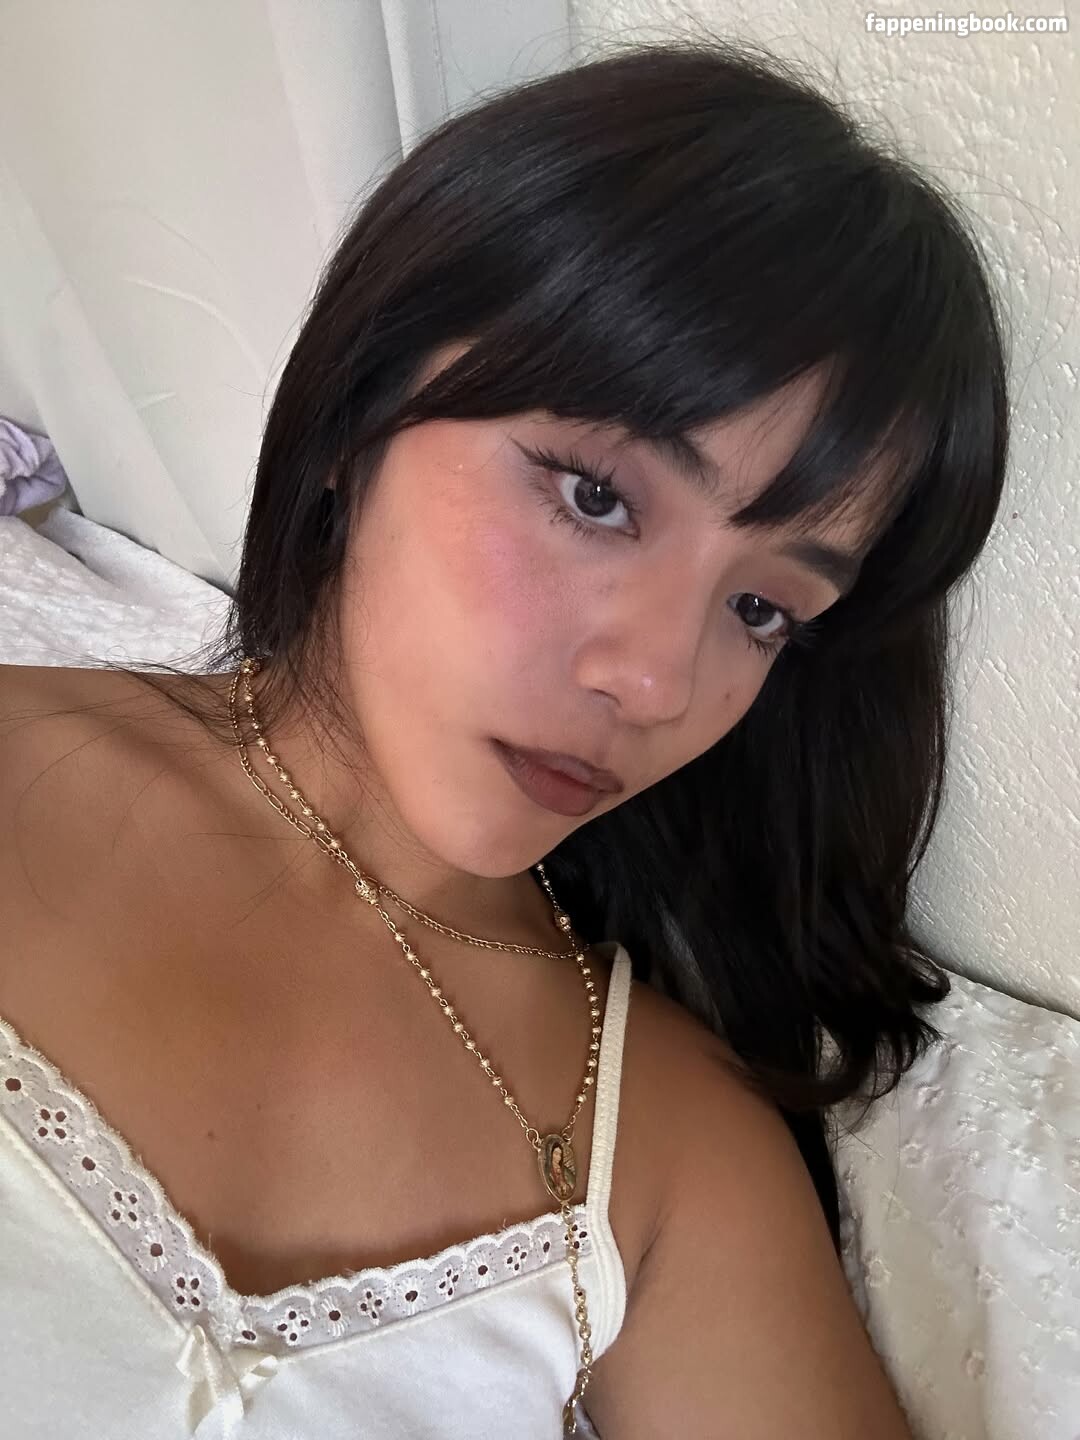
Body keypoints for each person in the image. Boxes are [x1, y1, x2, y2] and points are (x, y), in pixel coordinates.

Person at [0, 33, 1007, 1440]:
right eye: (596, 496)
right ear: (357, 411)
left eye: (763, 608)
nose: (655, 681)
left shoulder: (665, 1153)